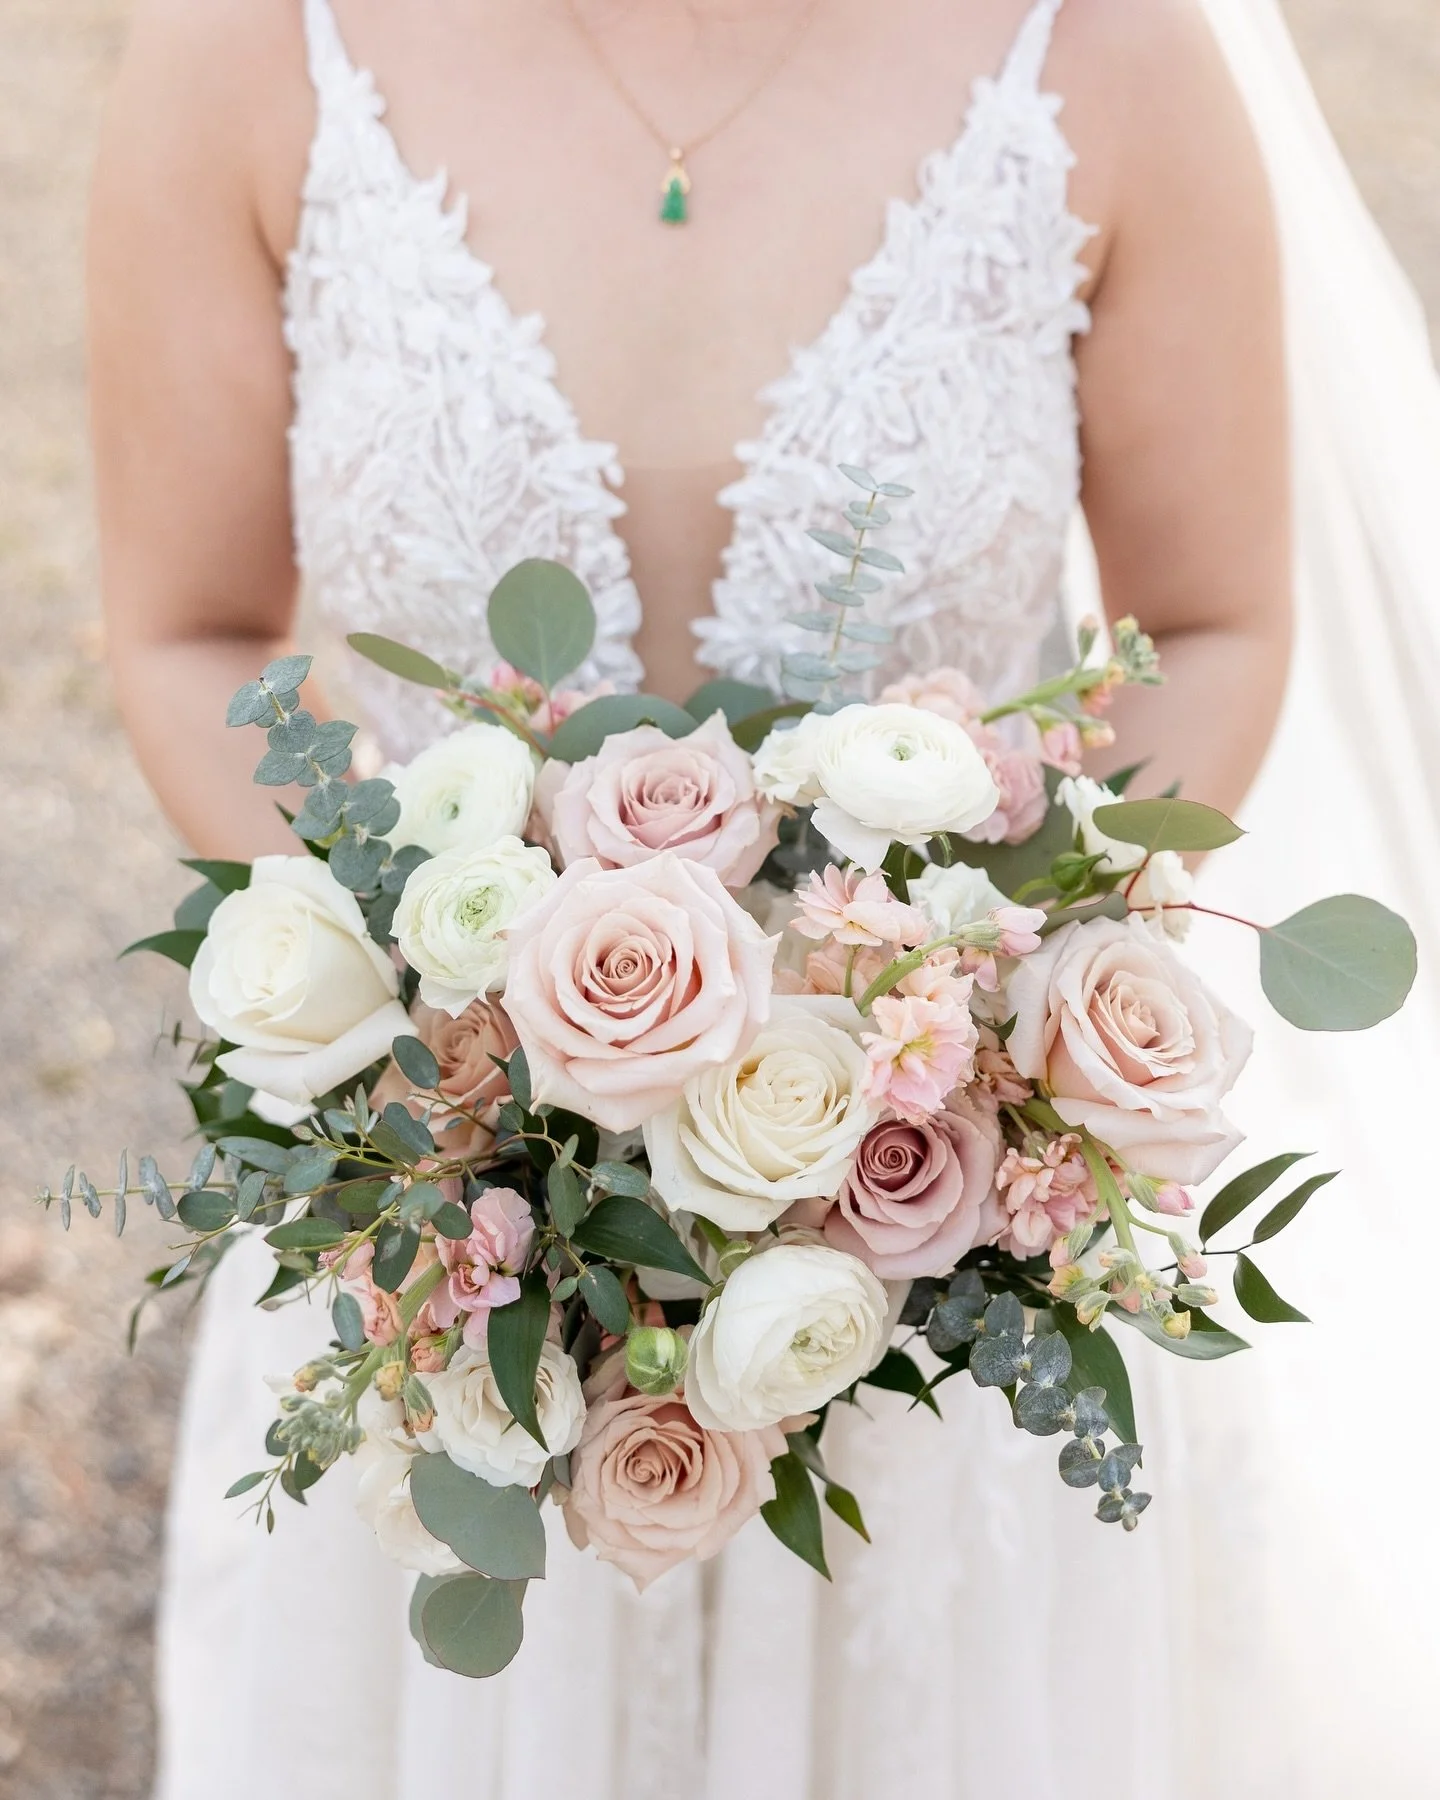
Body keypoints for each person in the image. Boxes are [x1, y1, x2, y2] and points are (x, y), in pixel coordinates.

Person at [85, 1, 1440, 1796]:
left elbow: (1211, 620)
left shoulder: (1111, 53)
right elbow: (189, 634)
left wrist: (957, 1043)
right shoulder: (247, 50)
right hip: (448, 1241)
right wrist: (445, 1047)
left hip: (936, 1256)